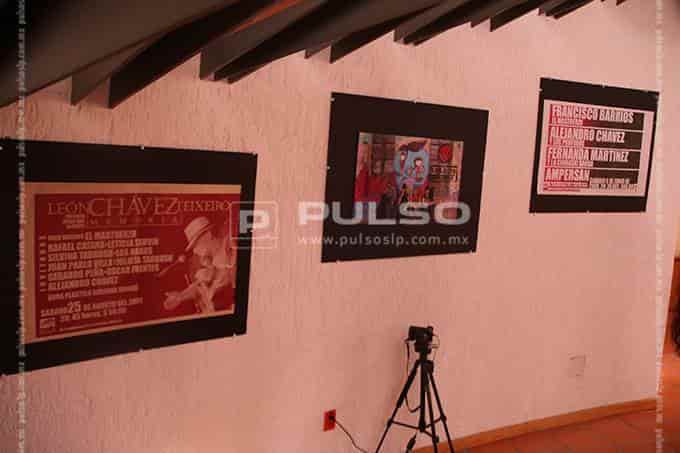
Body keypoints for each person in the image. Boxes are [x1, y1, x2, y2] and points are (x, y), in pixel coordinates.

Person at [163, 216, 237, 313]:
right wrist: (180, 296)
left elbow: (228, 275)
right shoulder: (211, 262)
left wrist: (212, 288)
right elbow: (198, 286)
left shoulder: (229, 244)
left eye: (196, 244)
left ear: (208, 235)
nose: (195, 251)